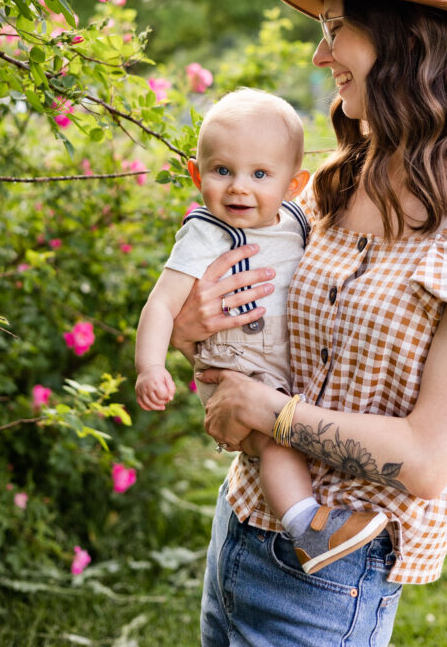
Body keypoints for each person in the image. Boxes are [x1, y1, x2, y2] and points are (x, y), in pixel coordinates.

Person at [169, 0, 447, 647]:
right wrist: (195, 330)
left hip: (329, 579)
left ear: (404, 37)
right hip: (240, 524)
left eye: (335, 28)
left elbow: (425, 459)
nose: (321, 57)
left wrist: (267, 413)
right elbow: (250, 321)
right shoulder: (333, 179)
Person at [134, 87, 389, 574]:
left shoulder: (296, 220)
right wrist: (150, 366)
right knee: (275, 440)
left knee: (286, 432)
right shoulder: (207, 233)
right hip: (237, 369)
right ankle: (307, 526)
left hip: (278, 371)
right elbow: (160, 305)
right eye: (222, 170)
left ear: (294, 186)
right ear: (196, 173)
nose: (238, 189)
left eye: (259, 174)